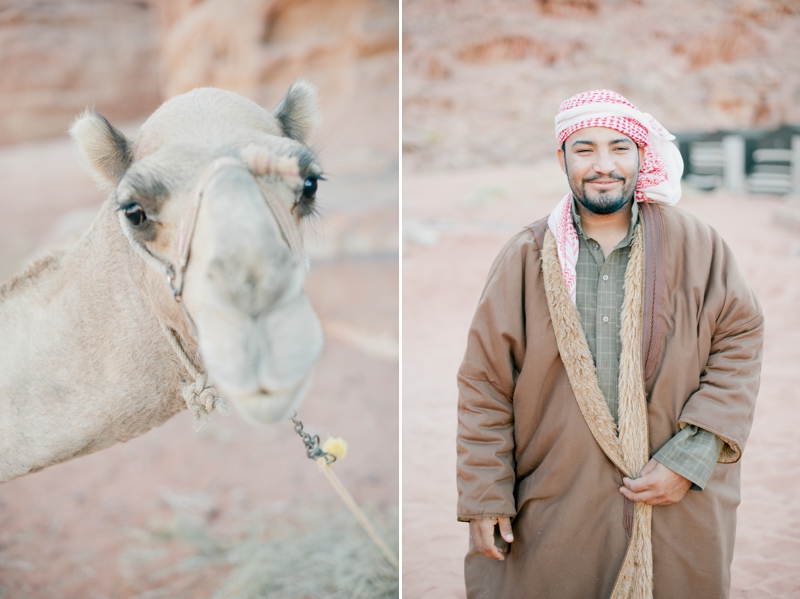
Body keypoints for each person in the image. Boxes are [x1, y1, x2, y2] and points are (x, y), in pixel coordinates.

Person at [456, 90, 764, 599]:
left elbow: (739, 341)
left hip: (676, 497)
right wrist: (485, 494)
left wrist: (688, 459)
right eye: (585, 149)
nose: (604, 165)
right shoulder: (526, 255)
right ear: (562, 159)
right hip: (555, 494)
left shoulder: (697, 245)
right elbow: (486, 381)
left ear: (642, 155)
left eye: (620, 148)